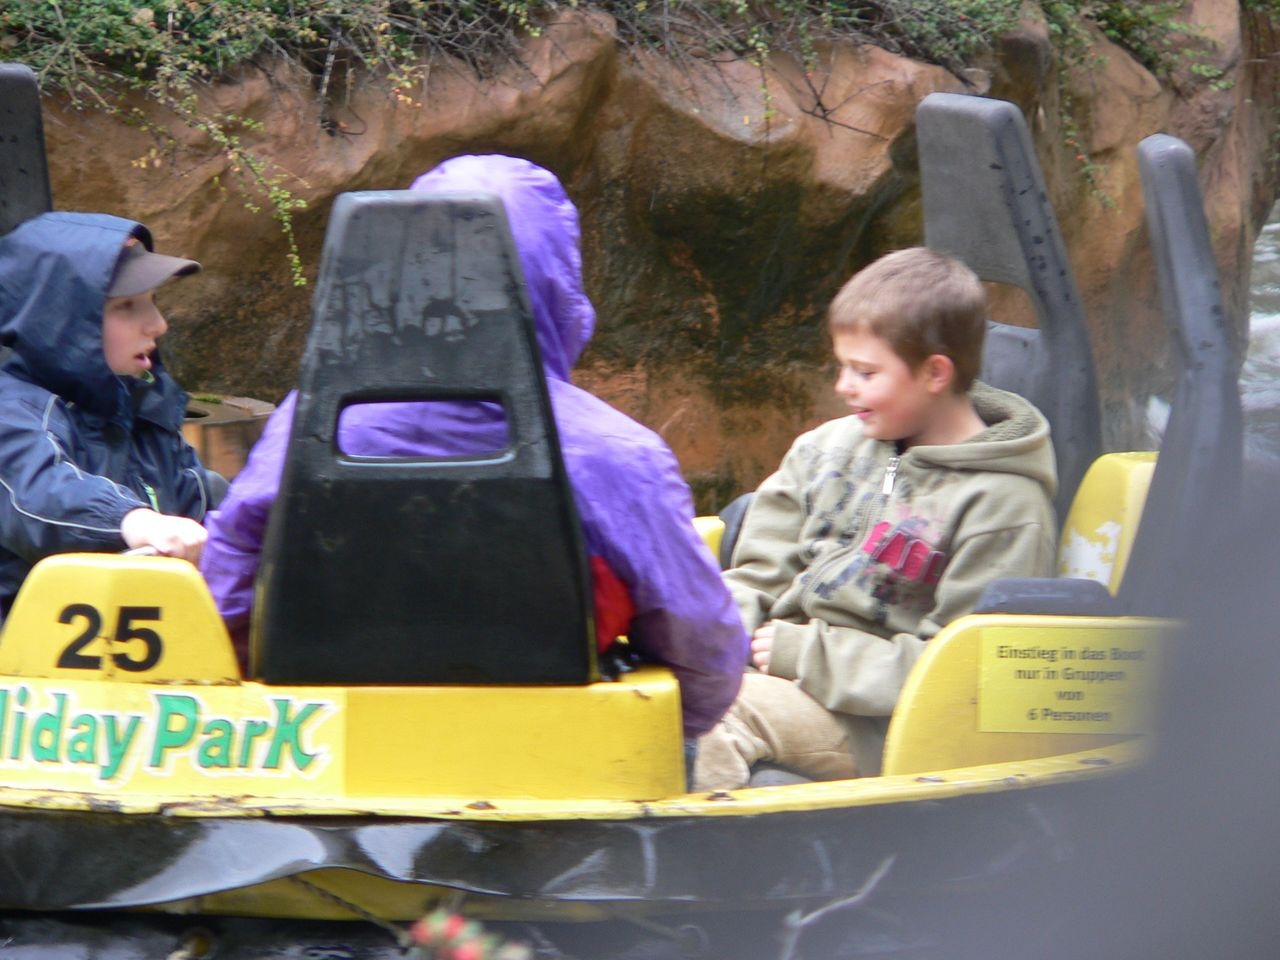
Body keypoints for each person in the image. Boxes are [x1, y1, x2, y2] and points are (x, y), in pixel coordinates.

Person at [200, 154, 749, 741]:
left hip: (340, 747)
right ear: (555, 288)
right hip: (557, 751)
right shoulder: (619, 456)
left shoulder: (310, 422)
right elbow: (702, 656)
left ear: (394, 268)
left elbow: (228, 593)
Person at [693, 247, 1058, 790]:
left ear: (935, 373)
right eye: (842, 366)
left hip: (878, 722)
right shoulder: (824, 450)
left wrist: (801, 653)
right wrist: (706, 639)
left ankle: (680, 846)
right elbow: (755, 577)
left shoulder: (1002, 506)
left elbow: (959, 673)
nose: (843, 386)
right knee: (652, 691)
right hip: (774, 668)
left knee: (709, 721)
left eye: (864, 372)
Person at [0, 212, 216, 616]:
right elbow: (39, 493)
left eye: (153, 302)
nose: (158, 325)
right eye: (126, 306)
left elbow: (202, 499)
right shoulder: (12, 412)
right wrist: (136, 522)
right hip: (24, 645)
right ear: (62, 324)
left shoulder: (142, 410)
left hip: (141, 637)